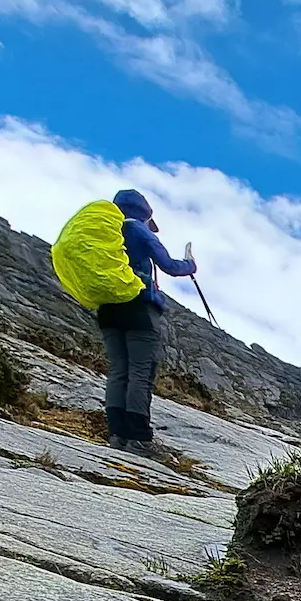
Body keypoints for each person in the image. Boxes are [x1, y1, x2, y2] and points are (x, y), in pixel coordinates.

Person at [101, 188, 196, 456]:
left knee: (119, 370)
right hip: (139, 306)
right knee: (140, 373)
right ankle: (139, 439)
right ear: (144, 215)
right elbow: (169, 265)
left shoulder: (108, 229)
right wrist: (190, 264)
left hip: (108, 305)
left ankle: (117, 435)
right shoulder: (137, 229)